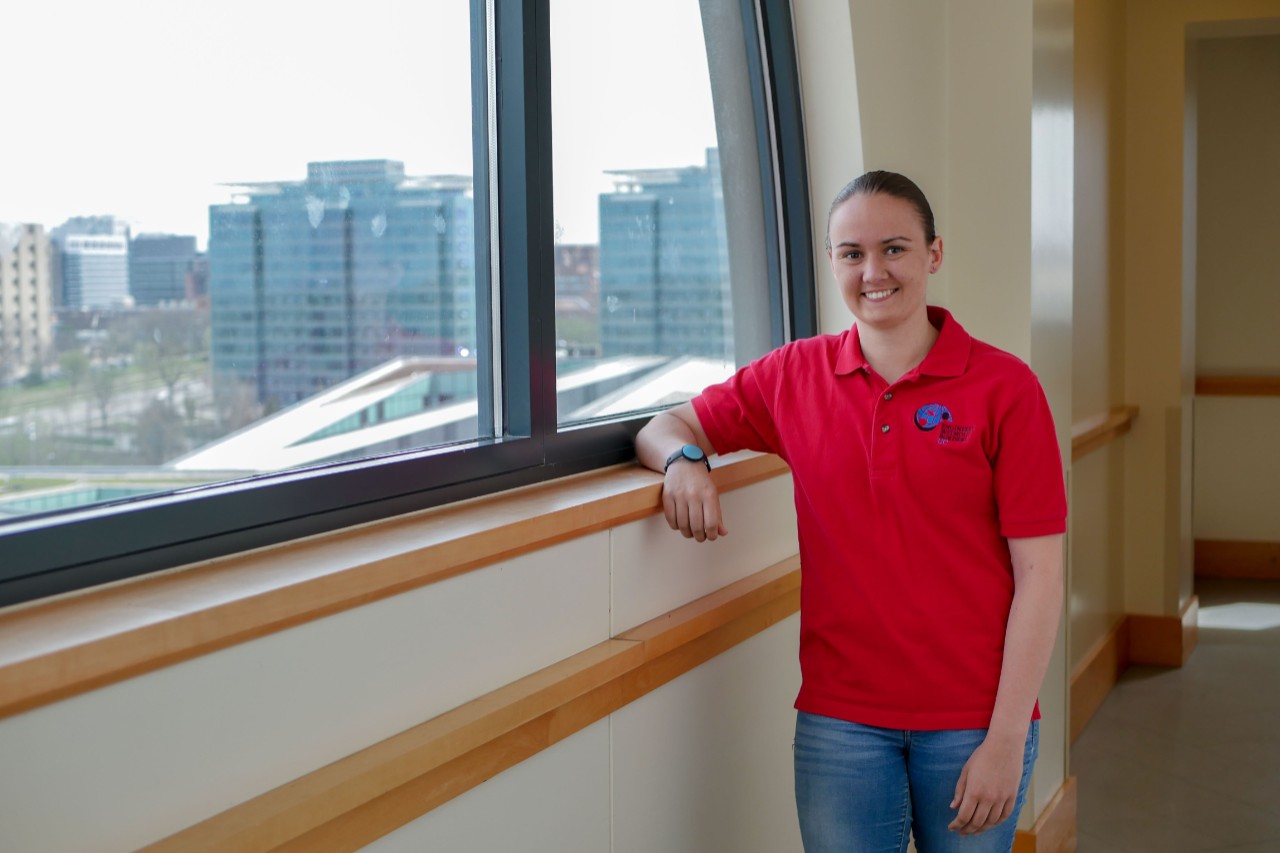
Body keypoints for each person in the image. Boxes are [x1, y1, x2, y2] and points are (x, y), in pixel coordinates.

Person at [633, 170, 1066, 853]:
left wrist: (1008, 737)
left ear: (934, 254)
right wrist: (685, 464)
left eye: (894, 248)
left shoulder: (1006, 388)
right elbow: (667, 425)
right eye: (851, 253)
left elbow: (1042, 575)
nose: (873, 272)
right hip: (841, 721)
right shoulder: (792, 376)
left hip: (974, 718)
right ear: (833, 261)